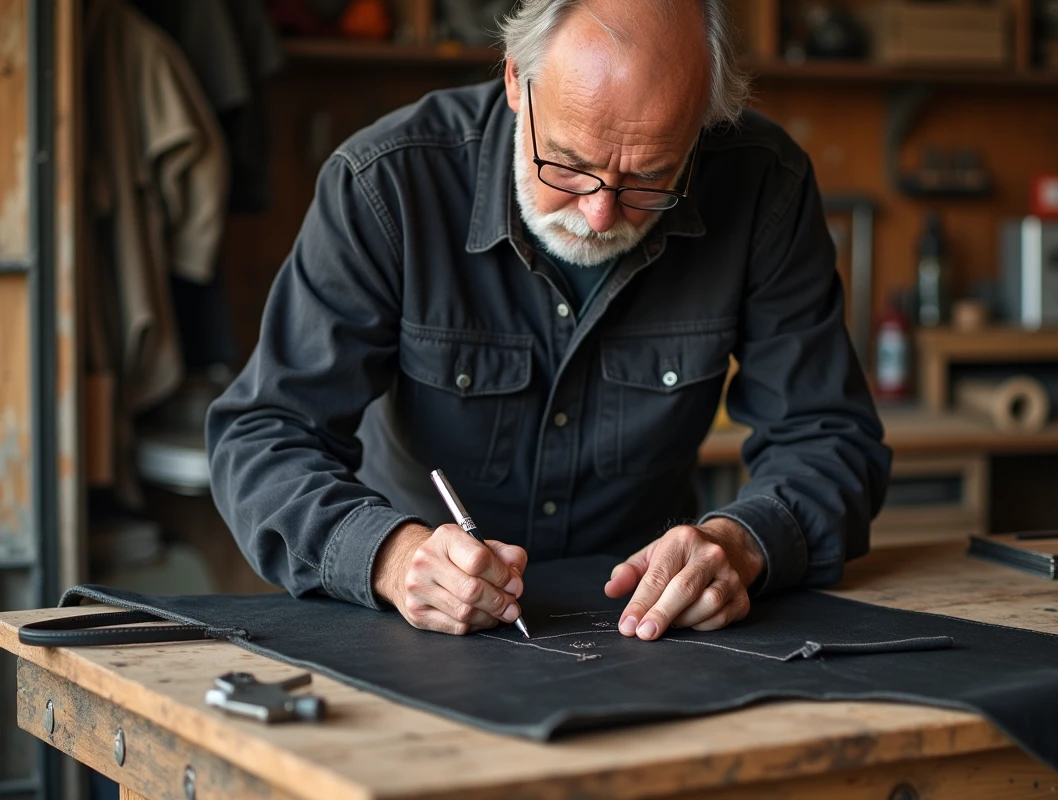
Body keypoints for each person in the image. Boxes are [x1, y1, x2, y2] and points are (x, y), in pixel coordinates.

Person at [206, 0, 891, 641]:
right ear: (514, 79)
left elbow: (829, 438)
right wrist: (389, 556)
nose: (600, 214)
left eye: (651, 177)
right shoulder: (388, 186)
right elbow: (264, 436)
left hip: (648, 634)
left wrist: (739, 545)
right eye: (567, 165)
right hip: (411, 629)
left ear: (702, 127)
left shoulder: (763, 184)